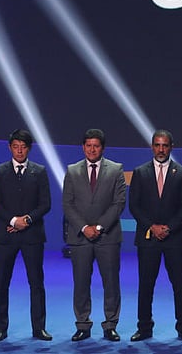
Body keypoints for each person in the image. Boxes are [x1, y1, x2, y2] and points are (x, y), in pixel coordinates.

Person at [128, 129, 182, 342]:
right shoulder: (140, 172)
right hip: (148, 238)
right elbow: (134, 206)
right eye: (157, 145)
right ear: (152, 146)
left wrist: (169, 228)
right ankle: (144, 328)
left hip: (174, 238)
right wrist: (152, 227)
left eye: (165, 145)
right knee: (146, 285)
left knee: (180, 285)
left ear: (171, 147)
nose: (161, 149)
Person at [62, 128, 127, 342]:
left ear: (103, 148)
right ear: (83, 147)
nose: (92, 149)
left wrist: (98, 228)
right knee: (81, 283)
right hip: (80, 237)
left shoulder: (116, 169)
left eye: (96, 146)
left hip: (107, 237)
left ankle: (110, 325)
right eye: (88, 145)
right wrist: (84, 228)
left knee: (111, 282)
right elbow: (68, 205)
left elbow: (119, 203)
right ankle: (83, 325)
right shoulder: (72, 171)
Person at [0, 128, 52, 342]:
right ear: (10, 148)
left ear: (29, 148)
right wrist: (14, 221)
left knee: (36, 282)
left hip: (32, 235)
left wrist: (27, 220)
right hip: (5, 235)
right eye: (15, 146)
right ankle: (0, 328)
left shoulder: (39, 171)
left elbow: (45, 204)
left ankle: (39, 328)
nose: (19, 150)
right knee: (1, 282)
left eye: (23, 147)